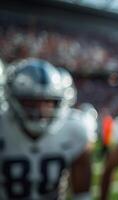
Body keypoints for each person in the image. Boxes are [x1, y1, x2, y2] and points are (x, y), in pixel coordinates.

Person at [0, 58, 92, 200]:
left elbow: (82, 195)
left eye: (48, 102)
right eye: (31, 102)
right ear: (13, 99)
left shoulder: (74, 129)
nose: (40, 111)